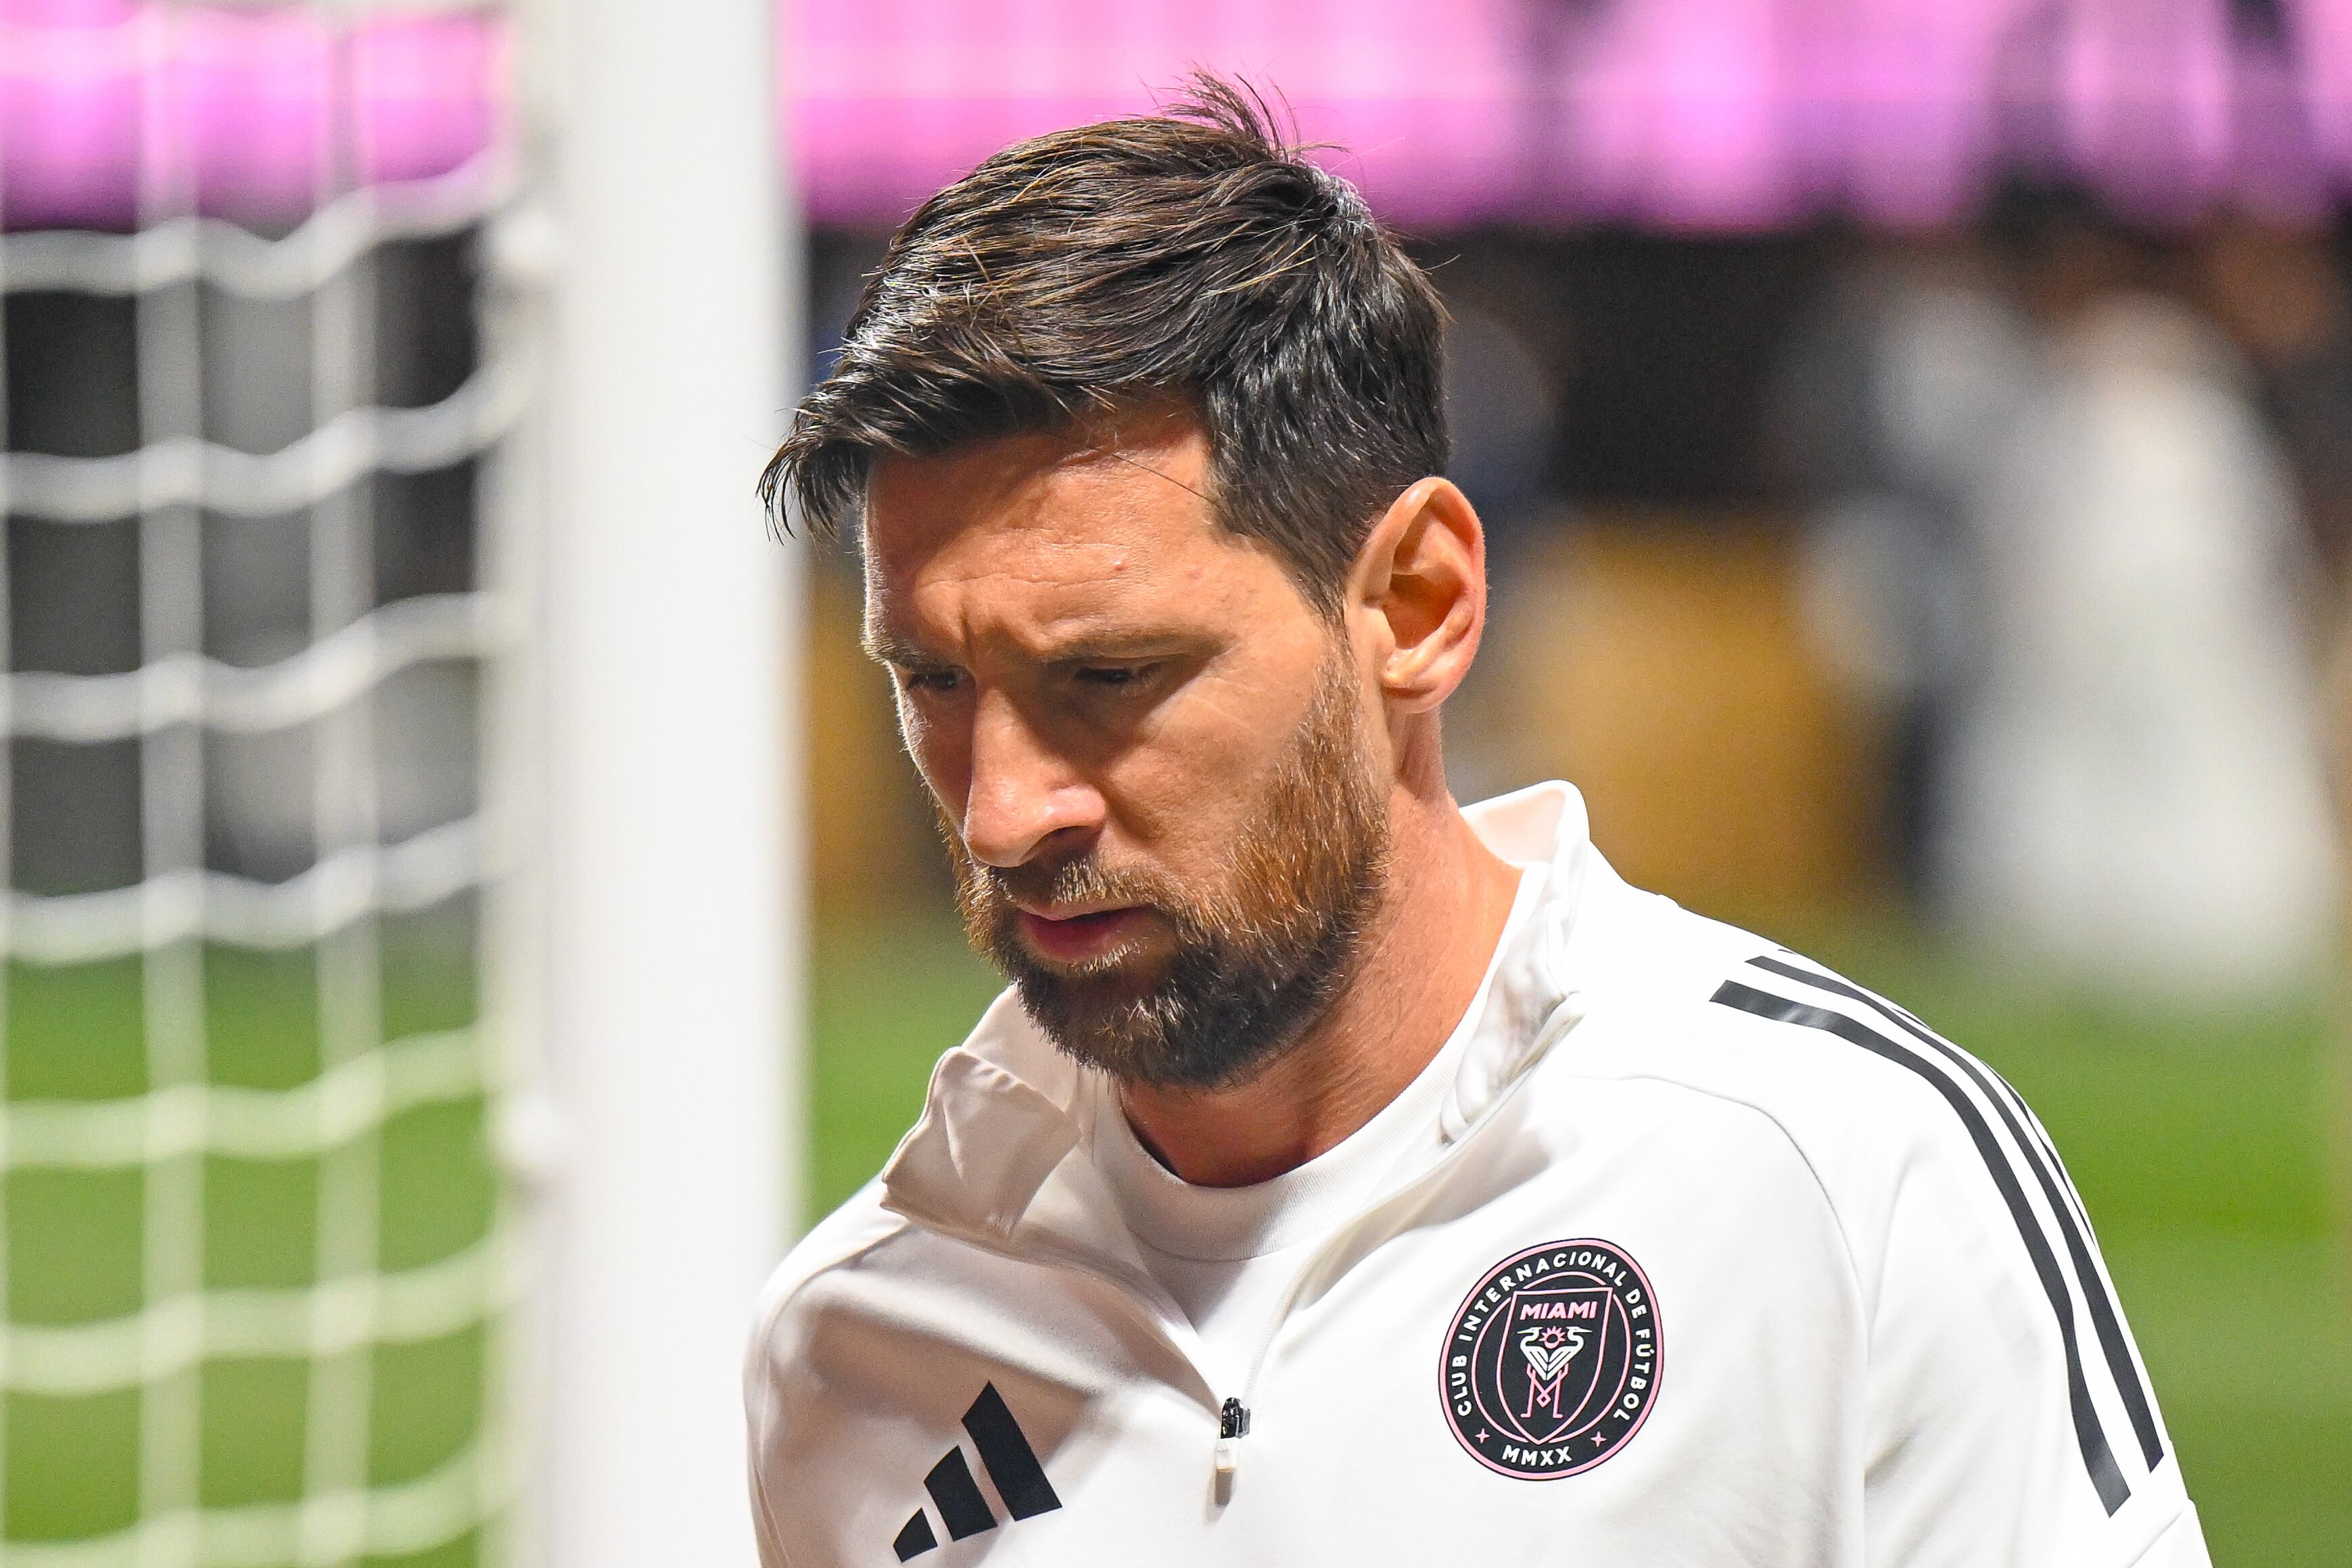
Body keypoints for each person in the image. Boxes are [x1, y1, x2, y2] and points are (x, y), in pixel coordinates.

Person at [745, 80, 2209, 1567]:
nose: (1002, 812)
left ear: (1416, 603)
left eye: (1109, 677)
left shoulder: (1835, 1170)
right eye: (931, 681)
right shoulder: (861, 1342)